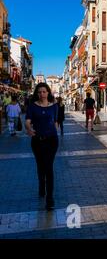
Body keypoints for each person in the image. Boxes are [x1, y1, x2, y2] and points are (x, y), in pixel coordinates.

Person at [25, 83, 59, 211]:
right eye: (39, 92)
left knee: (49, 167)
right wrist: (28, 129)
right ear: (36, 93)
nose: (42, 94)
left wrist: (54, 132)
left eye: (44, 92)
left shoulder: (54, 106)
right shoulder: (32, 106)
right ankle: (41, 185)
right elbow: (28, 121)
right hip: (37, 141)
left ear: (48, 93)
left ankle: (50, 199)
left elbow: (55, 122)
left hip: (51, 141)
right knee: (40, 166)